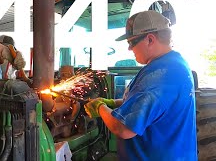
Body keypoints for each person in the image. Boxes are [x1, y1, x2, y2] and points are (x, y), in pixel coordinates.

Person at [84, 10, 197, 160]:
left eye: (131, 42)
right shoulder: (173, 63)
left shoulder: (160, 75)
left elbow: (123, 128)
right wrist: (112, 103)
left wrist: (99, 107)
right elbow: (147, 105)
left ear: (150, 39)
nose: (129, 48)